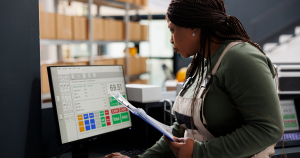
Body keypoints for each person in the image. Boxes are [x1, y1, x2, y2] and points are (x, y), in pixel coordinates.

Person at [105, 0, 284, 157]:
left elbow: (269, 129)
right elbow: (181, 128)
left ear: (193, 27)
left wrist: (200, 152)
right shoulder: (201, 62)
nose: (171, 39)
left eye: (172, 30)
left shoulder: (240, 58)